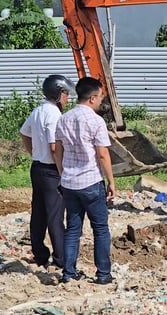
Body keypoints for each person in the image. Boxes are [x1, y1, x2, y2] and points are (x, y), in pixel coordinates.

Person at [54, 76, 116, 285]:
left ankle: (68, 274)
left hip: (69, 183)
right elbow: (102, 155)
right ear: (91, 98)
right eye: (99, 97)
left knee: (73, 229)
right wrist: (111, 182)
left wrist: (63, 174)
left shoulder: (63, 119)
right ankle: (103, 274)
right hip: (91, 182)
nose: (100, 101)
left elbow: (58, 150)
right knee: (100, 229)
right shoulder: (96, 121)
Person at [20, 74, 75, 269]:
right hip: (52, 170)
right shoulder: (54, 115)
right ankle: (61, 258)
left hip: (37, 168)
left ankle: (40, 254)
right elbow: (54, 148)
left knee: (39, 213)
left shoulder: (38, 111)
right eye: (66, 94)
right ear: (58, 94)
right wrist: (62, 171)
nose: (68, 99)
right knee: (55, 216)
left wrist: (34, 152)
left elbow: (24, 132)